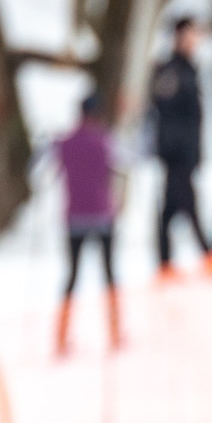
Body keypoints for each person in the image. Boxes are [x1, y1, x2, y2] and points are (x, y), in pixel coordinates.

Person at [51, 95, 125, 354]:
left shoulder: (64, 142)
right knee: (109, 274)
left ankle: (60, 335)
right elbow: (124, 164)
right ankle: (116, 332)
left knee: (71, 275)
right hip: (103, 215)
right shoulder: (105, 140)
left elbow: (41, 169)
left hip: (74, 217)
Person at [147, 16, 208, 277]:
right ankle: (209, 256)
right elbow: (164, 109)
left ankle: (165, 262)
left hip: (185, 151)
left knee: (171, 211)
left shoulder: (190, 68)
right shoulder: (170, 70)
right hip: (175, 153)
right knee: (187, 208)